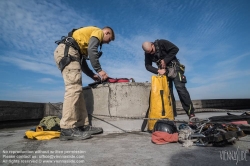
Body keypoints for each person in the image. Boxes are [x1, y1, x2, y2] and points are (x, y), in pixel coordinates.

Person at [54, 26, 115, 141]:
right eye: (109, 39)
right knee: (73, 89)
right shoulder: (98, 32)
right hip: (68, 53)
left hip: (71, 53)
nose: (107, 42)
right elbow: (92, 51)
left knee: (78, 92)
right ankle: (67, 128)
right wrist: (99, 70)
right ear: (106, 32)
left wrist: (92, 75)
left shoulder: (83, 41)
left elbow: (82, 62)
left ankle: (82, 126)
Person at [142, 39, 195, 119]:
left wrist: (165, 60)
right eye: (149, 53)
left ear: (152, 44)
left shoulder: (162, 43)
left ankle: (191, 114)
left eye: (152, 51)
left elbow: (175, 49)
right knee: (168, 93)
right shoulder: (148, 53)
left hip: (175, 68)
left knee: (180, 89)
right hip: (164, 71)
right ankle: (171, 117)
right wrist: (158, 70)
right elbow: (147, 66)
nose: (151, 53)